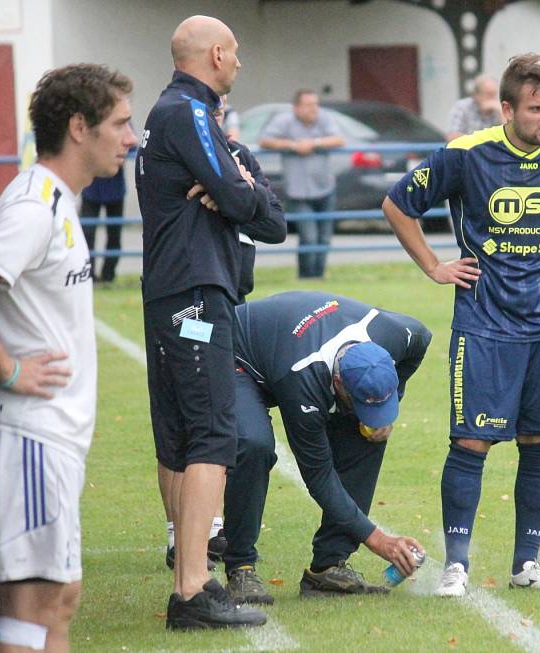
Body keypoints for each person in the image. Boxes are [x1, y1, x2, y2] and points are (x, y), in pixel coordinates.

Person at [382, 53, 540, 597]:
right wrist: (434, 267)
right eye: (537, 108)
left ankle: (527, 564)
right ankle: (456, 565)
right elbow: (398, 204)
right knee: (470, 442)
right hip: (484, 324)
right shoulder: (466, 155)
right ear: (507, 108)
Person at [0, 63, 137, 653]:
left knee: (56, 599)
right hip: (24, 435)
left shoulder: (57, 201)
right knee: (35, 604)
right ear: (80, 126)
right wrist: (10, 368)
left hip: (45, 439)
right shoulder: (35, 205)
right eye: (122, 123)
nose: (131, 138)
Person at [136, 15, 270, 631]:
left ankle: (187, 573)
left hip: (173, 290)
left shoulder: (180, 114)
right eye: (235, 53)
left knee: (182, 434)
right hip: (194, 292)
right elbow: (244, 200)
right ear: (216, 54)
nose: (239, 64)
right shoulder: (187, 112)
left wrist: (237, 188)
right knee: (212, 433)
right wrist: (235, 187)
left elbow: (266, 215)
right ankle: (193, 588)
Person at [221, 291, 431, 605]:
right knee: (255, 444)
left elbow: (422, 340)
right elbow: (319, 477)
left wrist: (393, 396)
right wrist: (378, 540)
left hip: (290, 349)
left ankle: (328, 568)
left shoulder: (395, 334)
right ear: (337, 382)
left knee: (368, 433)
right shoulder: (303, 381)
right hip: (237, 354)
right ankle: (240, 566)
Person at [161, 96, 286, 571]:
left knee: (214, 419)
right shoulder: (176, 157)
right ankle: (183, 533)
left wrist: (239, 197)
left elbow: (275, 224)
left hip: (230, 303)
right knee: (186, 425)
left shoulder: (240, 158)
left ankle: (205, 530)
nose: (217, 120)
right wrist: (236, 196)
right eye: (211, 114)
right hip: (188, 306)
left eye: (221, 114)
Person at [259, 89, 345, 279]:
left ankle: (319, 276)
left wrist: (314, 143)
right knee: (309, 237)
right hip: (298, 191)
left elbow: (339, 139)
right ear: (296, 108)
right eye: (308, 105)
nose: (313, 109)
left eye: (315, 104)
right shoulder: (284, 121)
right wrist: (294, 146)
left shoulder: (324, 119)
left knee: (324, 238)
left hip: (325, 188)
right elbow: (265, 140)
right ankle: (306, 277)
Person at [80, 167, 127, 283]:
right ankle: (88, 275)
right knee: (87, 234)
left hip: (114, 188)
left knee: (114, 234)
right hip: (91, 188)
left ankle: (108, 275)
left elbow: (130, 149)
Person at [446, 74, 502, 143]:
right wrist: (483, 141)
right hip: (466, 152)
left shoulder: (498, 109)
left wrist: (501, 112)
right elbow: (452, 137)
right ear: (477, 95)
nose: (492, 98)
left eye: (494, 94)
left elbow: (510, 138)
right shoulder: (462, 107)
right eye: (488, 94)